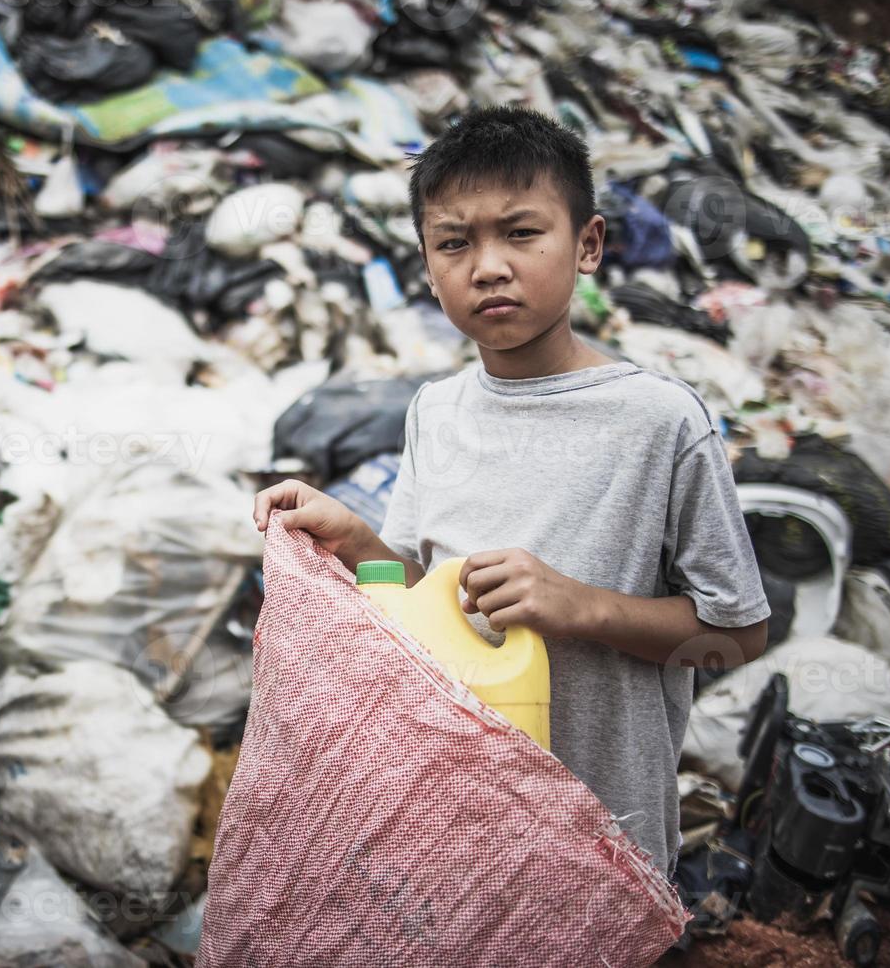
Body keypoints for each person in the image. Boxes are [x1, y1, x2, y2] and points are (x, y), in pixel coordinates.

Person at [252, 105, 770, 878]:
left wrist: (581, 605)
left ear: (587, 244)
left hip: (600, 831)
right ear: (428, 266)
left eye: (521, 233)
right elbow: (428, 599)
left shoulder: (659, 422)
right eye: (454, 243)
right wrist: (354, 539)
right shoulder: (436, 410)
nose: (486, 266)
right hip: (453, 813)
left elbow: (738, 637)